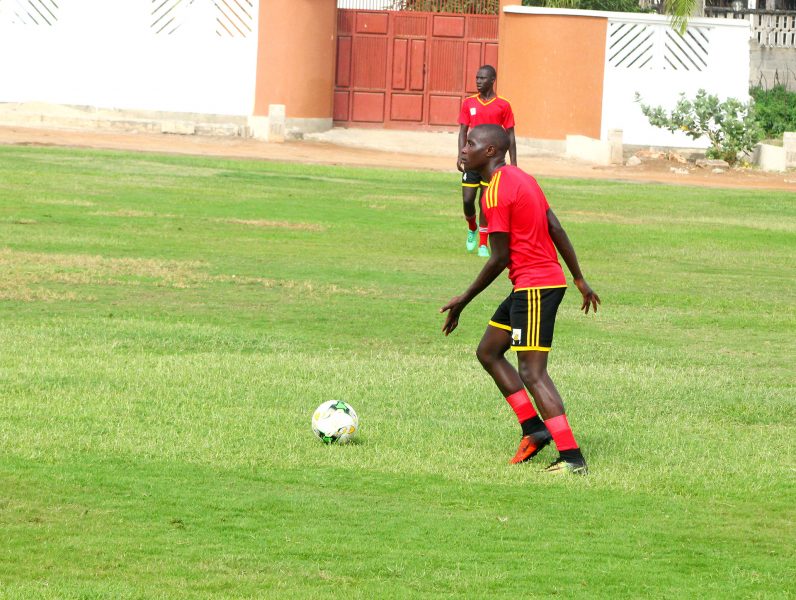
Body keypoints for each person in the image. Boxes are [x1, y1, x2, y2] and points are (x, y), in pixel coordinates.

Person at [441, 124, 600, 475]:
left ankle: (572, 458)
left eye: (471, 143)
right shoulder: (522, 177)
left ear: (491, 152)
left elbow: (499, 258)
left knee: (532, 371)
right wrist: (578, 278)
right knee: (489, 350)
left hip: (535, 288)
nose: (464, 149)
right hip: (535, 285)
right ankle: (534, 428)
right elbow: (555, 226)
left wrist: (463, 300)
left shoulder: (494, 193)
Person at [457, 65, 517, 259]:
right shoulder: (469, 103)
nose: (478, 81)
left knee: (485, 202)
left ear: (493, 80)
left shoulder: (504, 105)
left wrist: (513, 163)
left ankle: (483, 243)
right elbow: (462, 132)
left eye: (482, 78)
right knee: (468, 200)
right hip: (473, 160)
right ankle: (472, 227)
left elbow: (511, 136)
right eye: (477, 78)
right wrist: (460, 154)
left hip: (491, 162)